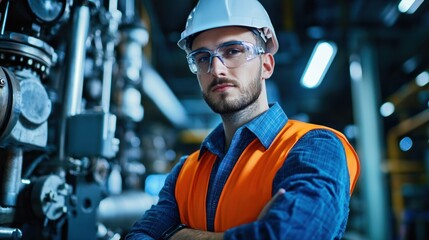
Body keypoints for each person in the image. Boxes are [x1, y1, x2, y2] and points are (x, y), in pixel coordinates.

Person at [126, 0, 360, 239]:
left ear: (266, 65)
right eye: (203, 58)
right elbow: (138, 235)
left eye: (233, 51)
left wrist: (175, 235)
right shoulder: (185, 172)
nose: (216, 70)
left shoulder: (316, 147)